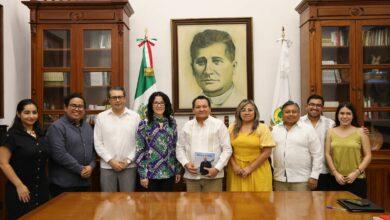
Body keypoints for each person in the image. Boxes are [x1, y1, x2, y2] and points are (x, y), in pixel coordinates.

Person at [0, 99, 49, 219]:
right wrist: (19, 185)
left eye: (34, 112)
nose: (31, 116)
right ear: (18, 114)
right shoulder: (11, 135)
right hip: (21, 189)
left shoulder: (41, 134)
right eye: (26, 112)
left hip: (41, 188)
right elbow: (3, 163)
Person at [176, 95, 232, 192]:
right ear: (193, 110)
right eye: (198, 107)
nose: (201, 109)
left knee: (213, 206)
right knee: (193, 206)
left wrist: (217, 169)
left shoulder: (219, 125)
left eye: (204, 106)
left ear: (210, 109)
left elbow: (227, 149)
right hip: (192, 176)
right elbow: (179, 148)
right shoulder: (187, 126)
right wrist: (186, 164)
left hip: (214, 176)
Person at [46, 93, 96, 197]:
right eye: (73, 105)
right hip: (63, 184)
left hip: (84, 183)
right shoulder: (56, 127)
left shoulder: (87, 127)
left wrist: (91, 166)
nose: (77, 109)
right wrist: (80, 169)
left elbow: (93, 151)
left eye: (80, 106)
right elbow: (59, 154)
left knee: (84, 213)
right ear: (65, 107)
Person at [94, 86, 140, 192]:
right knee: (108, 202)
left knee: (128, 202)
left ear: (125, 98)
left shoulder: (135, 117)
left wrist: (128, 160)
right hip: (107, 166)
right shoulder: (101, 117)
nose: (117, 100)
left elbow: (139, 142)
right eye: (114, 97)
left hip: (129, 166)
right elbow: (98, 143)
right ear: (109, 100)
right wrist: (111, 161)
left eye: (120, 97)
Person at [135, 91, 182, 192]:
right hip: (150, 174)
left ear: (166, 105)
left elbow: (175, 147)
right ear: (151, 105)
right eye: (156, 103)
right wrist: (143, 175)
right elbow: (140, 150)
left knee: (168, 206)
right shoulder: (144, 124)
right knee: (151, 206)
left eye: (162, 103)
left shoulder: (172, 123)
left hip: (169, 172)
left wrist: (177, 170)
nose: (159, 105)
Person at [272, 101, 323, 191]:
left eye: (294, 112)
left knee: (301, 205)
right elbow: (269, 153)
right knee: (279, 205)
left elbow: (317, 154)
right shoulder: (275, 130)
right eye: (287, 112)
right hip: (279, 179)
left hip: (302, 180)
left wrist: (314, 176)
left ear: (299, 114)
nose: (291, 114)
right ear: (282, 114)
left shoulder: (308, 129)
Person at [227, 99, 275, 192]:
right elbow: (227, 149)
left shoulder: (263, 128)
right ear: (239, 113)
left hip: (258, 168)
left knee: (260, 202)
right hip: (237, 170)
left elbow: (267, 152)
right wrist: (234, 166)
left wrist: (249, 168)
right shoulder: (232, 128)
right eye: (243, 110)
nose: (246, 112)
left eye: (250, 110)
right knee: (237, 202)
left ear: (255, 112)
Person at [325, 102, 371, 198]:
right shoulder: (330, 131)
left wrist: (356, 172)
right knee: (335, 211)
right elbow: (327, 154)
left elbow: (368, 155)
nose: (345, 116)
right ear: (337, 115)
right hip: (336, 179)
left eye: (348, 113)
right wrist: (335, 173)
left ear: (353, 116)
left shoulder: (361, 132)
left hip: (356, 179)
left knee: (357, 211)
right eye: (342, 113)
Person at [190, 29, 245, 107]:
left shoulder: (241, 101)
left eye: (216, 62)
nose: (207, 71)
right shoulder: (191, 103)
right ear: (192, 68)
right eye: (201, 62)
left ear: (234, 66)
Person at [300, 94, 335, 190]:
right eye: (312, 104)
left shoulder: (330, 124)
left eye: (318, 105)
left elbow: (343, 131)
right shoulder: (298, 122)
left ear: (322, 108)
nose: (314, 107)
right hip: (303, 172)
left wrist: (360, 130)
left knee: (321, 203)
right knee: (303, 203)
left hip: (323, 171)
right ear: (306, 106)